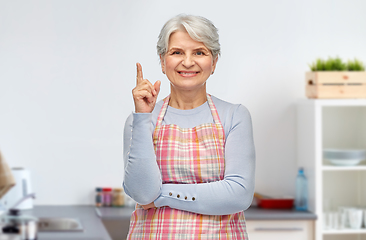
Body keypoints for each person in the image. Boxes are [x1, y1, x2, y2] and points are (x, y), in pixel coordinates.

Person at [123, 14, 255, 240]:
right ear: (163, 62)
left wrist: (162, 195)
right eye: (177, 52)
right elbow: (143, 193)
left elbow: (238, 195)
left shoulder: (234, 116)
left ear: (213, 62)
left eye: (199, 52)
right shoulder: (142, 119)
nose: (187, 62)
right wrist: (142, 118)